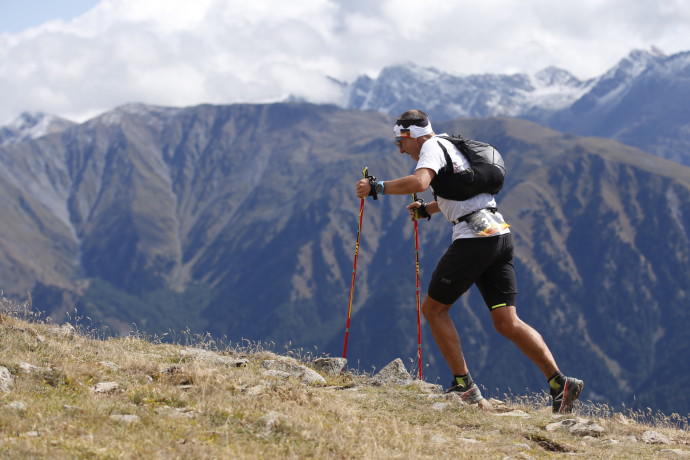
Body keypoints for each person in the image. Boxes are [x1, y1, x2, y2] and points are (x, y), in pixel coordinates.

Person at [355, 109, 583, 413]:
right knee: (507, 321)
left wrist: (376, 187)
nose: (399, 149)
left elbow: (420, 182)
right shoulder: (451, 146)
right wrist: (429, 211)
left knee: (434, 310)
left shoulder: (431, 147)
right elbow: (462, 194)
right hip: (499, 235)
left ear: (414, 136)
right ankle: (560, 383)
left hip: (474, 239)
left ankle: (464, 388)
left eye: (401, 142)